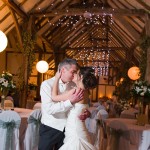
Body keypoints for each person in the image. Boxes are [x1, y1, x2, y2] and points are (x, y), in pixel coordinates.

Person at [38, 58, 90, 150]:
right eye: (73, 72)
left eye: (76, 73)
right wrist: (70, 102)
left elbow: (81, 105)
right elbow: (49, 109)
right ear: (63, 70)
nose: (74, 75)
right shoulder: (47, 84)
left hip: (68, 130)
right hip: (50, 128)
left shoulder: (74, 85)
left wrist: (86, 113)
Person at [52, 67, 98, 150]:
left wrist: (56, 78)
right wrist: (87, 113)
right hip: (78, 125)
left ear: (81, 77)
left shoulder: (76, 91)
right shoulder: (86, 92)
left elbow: (54, 97)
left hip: (74, 126)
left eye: (76, 73)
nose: (74, 74)